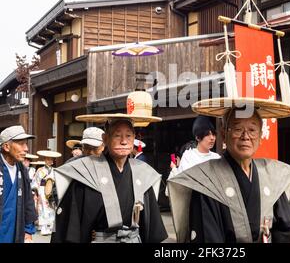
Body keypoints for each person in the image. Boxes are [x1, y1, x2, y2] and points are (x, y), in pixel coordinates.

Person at [168, 98, 290, 243]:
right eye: (237, 129)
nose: (246, 137)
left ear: (260, 136)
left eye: (252, 130)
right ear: (224, 135)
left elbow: (287, 233)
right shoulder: (207, 181)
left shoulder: (271, 176)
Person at [51, 91, 167, 243]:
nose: (124, 141)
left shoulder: (142, 173)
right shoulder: (86, 173)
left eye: (128, 136)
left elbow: (151, 228)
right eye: (117, 135)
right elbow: (72, 226)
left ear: (134, 140)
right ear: (105, 139)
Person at [0, 125, 37, 243]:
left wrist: (28, 231)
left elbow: (28, 201)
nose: (26, 148)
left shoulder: (22, 169)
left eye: (26, 144)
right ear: (6, 146)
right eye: (21, 144)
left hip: (16, 231)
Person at [31, 150, 61, 235]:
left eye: (51, 159)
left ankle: (51, 227)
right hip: (41, 190)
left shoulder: (55, 170)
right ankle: (44, 227)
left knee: (52, 208)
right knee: (42, 208)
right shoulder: (40, 170)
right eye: (47, 159)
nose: (49, 161)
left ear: (53, 161)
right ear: (44, 160)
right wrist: (37, 192)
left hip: (52, 191)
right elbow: (35, 182)